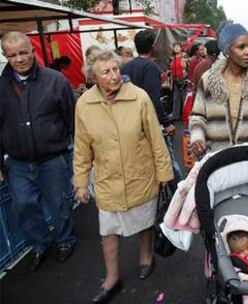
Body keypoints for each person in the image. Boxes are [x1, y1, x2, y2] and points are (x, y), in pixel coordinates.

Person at [74, 50, 173, 303]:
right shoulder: (84, 104)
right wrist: (81, 182)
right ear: (93, 77)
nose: (114, 75)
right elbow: (82, 147)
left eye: (116, 69)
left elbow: (155, 138)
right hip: (108, 180)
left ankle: (146, 256)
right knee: (108, 230)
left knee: (145, 221)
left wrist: (164, 172)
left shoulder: (138, 97)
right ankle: (112, 278)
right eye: (106, 71)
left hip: (140, 173)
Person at [0, 31, 77, 271]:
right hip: (18, 162)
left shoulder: (55, 80)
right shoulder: (0, 86)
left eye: (23, 52)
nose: (19, 59)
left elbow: (73, 118)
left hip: (53, 157)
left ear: (32, 52)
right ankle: (39, 244)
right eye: (12, 55)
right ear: (5, 57)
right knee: (24, 205)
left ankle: (65, 241)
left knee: (59, 203)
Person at [189, 23, 248, 154]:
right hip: (216, 156)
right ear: (227, 51)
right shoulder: (209, 79)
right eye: (241, 47)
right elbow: (197, 116)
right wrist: (197, 138)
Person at [122, 30, 181, 192]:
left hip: (130, 124)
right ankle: (180, 196)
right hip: (150, 123)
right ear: (153, 46)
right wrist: (167, 123)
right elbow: (153, 101)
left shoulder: (126, 67)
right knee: (168, 161)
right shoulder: (150, 67)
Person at [168, 42, 189, 120]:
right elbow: (168, 68)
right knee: (176, 98)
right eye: (175, 47)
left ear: (181, 48)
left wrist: (187, 79)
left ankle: (186, 116)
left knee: (185, 99)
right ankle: (175, 115)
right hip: (175, 80)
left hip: (184, 80)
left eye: (178, 46)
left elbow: (189, 69)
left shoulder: (185, 57)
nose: (176, 48)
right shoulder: (171, 58)